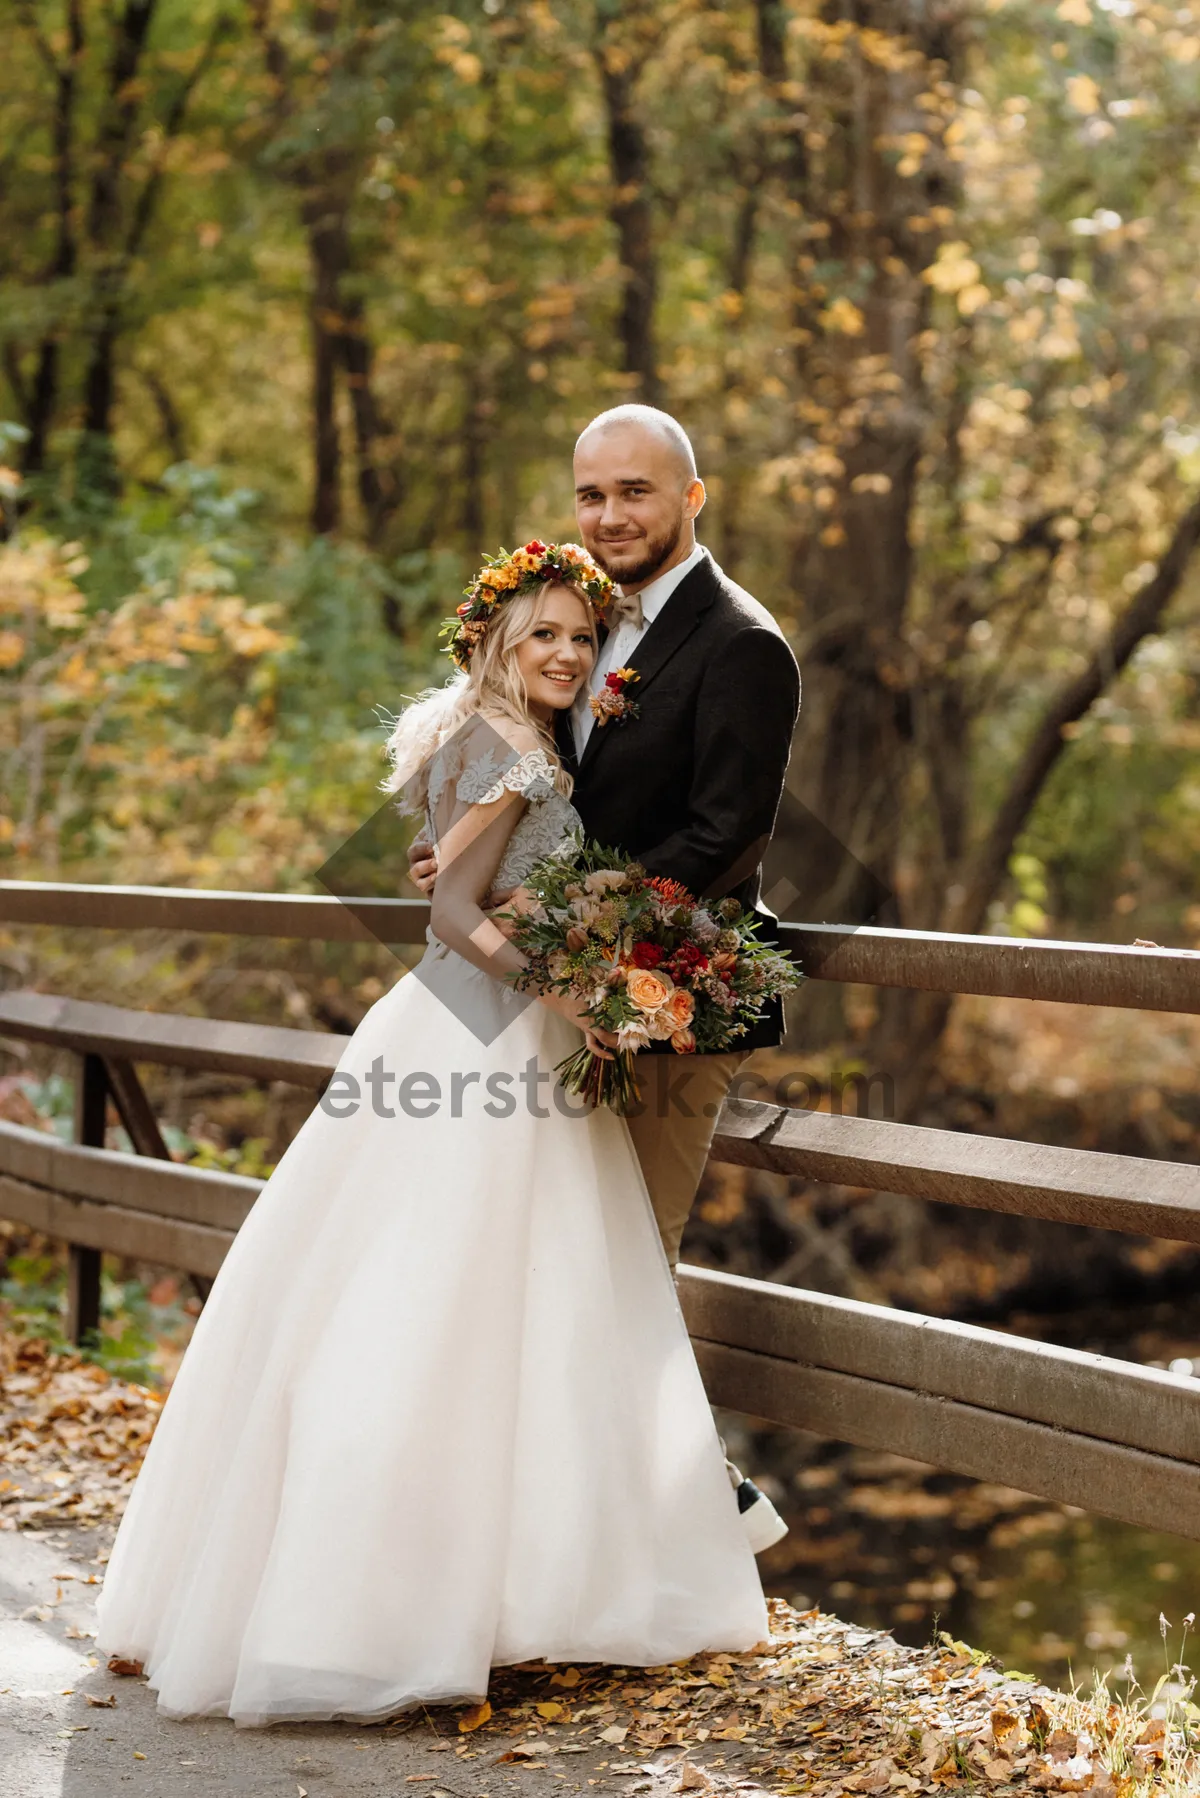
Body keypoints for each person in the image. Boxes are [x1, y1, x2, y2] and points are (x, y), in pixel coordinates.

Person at [94, 543, 768, 1728]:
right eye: (541, 636)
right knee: (433, 1303)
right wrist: (570, 995)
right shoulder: (504, 743)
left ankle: (521, 1585)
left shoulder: (525, 741)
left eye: (578, 636)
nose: (564, 653)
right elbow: (450, 912)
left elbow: (475, 883)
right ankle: (373, 1600)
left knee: (531, 1306)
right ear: (497, 644)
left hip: (509, 1039)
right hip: (480, 1040)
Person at [411, 406, 801, 1552]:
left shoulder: (741, 644)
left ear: (694, 497)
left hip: (668, 997)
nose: (611, 514)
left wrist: (556, 910)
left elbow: (724, 835)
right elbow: (533, 776)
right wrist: (467, 859)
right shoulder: (575, 622)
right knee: (553, 1258)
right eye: (592, 494)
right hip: (548, 1002)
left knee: (626, 1259)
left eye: (636, 491)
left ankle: (703, 1514)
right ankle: (562, 1536)